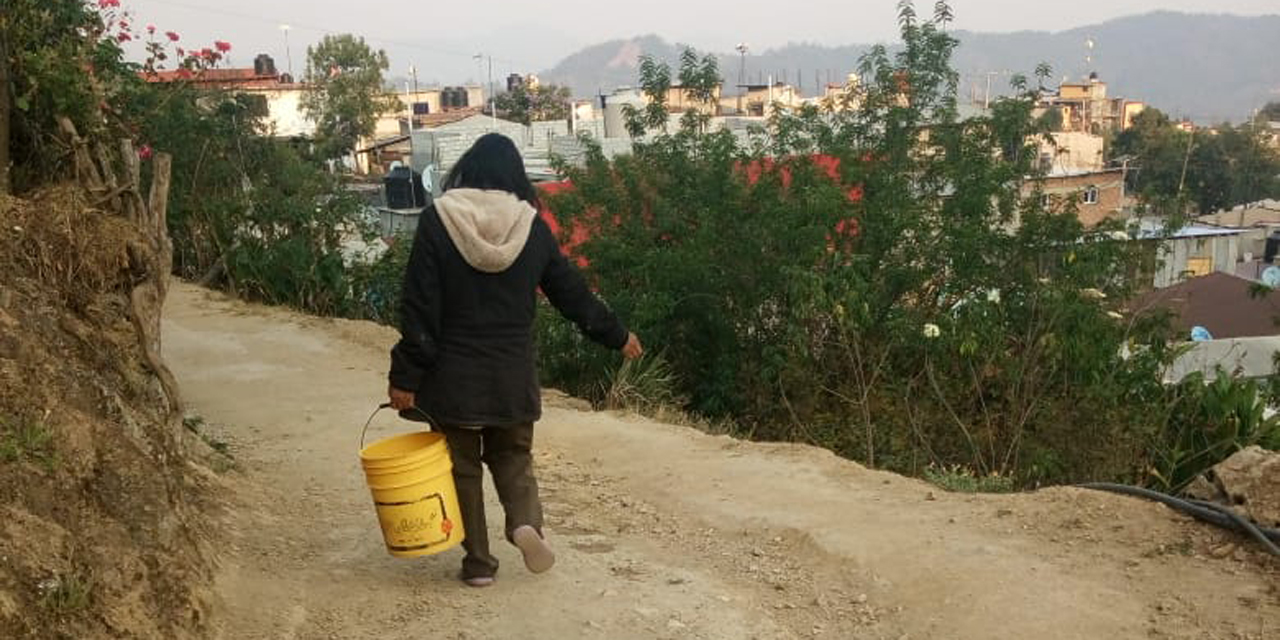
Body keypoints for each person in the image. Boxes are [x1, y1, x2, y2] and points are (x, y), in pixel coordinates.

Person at [387, 133, 642, 588]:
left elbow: (419, 307)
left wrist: (406, 375)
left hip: (452, 376)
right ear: (514, 176)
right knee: (513, 457)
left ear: (466, 169)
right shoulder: (532, 227)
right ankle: (525, 523)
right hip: (511, 374)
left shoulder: (437, 222)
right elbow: (572, 295)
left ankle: (479, 564)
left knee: (461, 468)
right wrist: (617, 335)